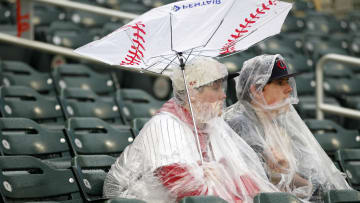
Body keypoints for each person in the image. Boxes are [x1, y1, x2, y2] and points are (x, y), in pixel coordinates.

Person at [103, 57, 278, 203]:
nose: (224, 95)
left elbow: (242, 176)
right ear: (193, 93)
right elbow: (185, 189)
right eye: (215, 88)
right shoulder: (165, 125)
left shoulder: (211, 126)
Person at [224, 54, 352, 202]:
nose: (289, 89)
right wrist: (278, 174)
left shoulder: (278, 126)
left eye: (287, 82)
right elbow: (252, 187)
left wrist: (310, 187)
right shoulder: (238, 125)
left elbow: (300, 175)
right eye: (280, 82)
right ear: (257, 90)